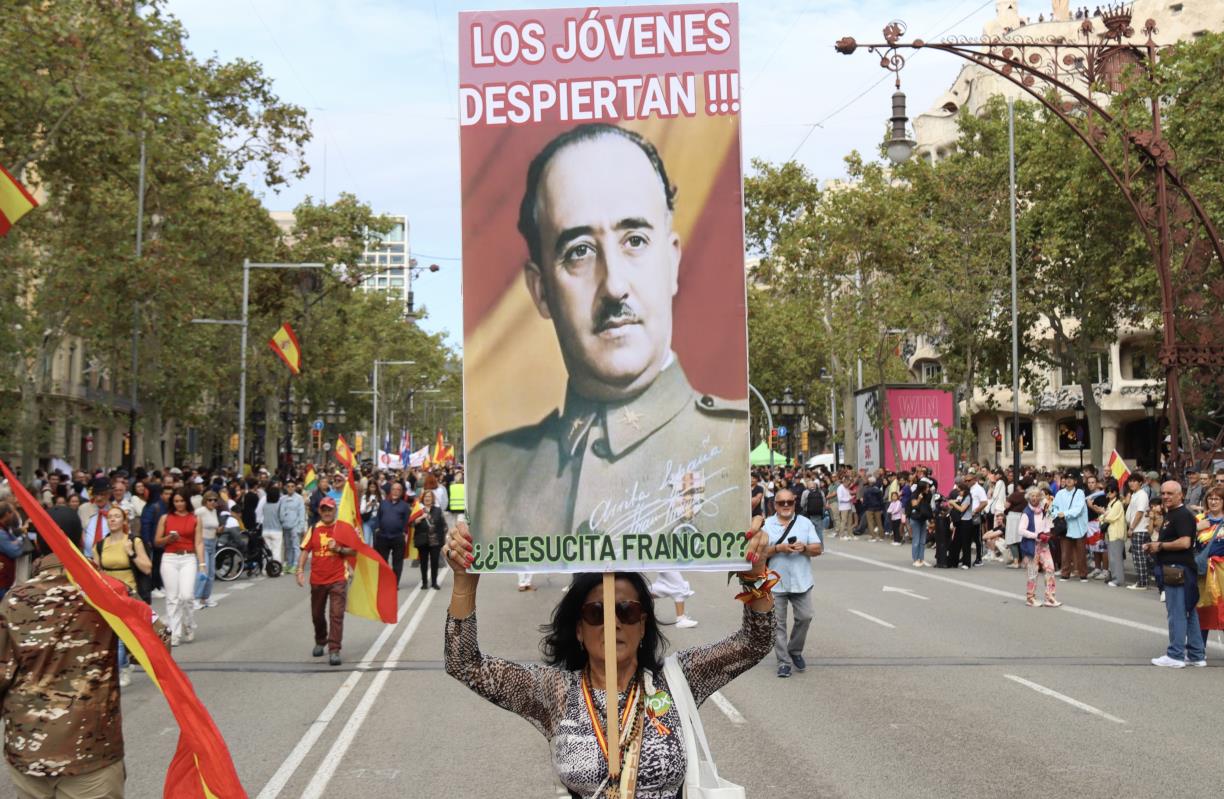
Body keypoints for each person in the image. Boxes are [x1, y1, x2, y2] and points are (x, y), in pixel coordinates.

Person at [467, 124, 750, 544]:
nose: (614, 285)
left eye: (634, 240)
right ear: (541, 290)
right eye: (579, 251)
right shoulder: (489, 475)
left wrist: (759, 579)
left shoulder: (736, 447)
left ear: (672, 264)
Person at [442, 518, 773, 798]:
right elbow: (464, 664)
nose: (613, 622)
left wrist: (755, 571)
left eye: (627, 611)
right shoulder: (553, 689)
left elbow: (753, 642)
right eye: (596, 612)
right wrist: (464, 584)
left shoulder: (678, 679)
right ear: (578, 630)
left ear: (643, 625)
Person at [0, 514, 168, 798]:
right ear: (80, 541)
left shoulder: (14, 601)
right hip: (91, 753)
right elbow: (158, 649)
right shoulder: (108, 593)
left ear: (38, 544)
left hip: (28, 750)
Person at [1145, 481, 1205, 667]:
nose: (1165, 496)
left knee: (1177, 612)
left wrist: (1160, 546)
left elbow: (1185, 542)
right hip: (1178, 567)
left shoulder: (1183, 515)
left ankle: (1175, 655)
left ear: (1181, 495)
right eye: (1163, 493)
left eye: (1170, 493)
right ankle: (1196, 654)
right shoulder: (1173, 514)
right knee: (1188, 611)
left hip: (1178, 569)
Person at [764, 488, 822, 678]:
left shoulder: (804, 523)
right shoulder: (766, 525)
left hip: (801, 580)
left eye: (790, 502)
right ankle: (783, 662)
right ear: (775, 505)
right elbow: (758, 553)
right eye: (782, 503)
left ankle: (795, 650)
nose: (786, 506)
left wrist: (804, 548)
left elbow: (817, 548)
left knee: (805, 617)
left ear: (795, 503)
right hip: (776, 582)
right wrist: (778, 548)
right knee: (778, 624)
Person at [295, 497, 358, 666]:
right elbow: (305, 550)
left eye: (330, 509)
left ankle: (334, 649)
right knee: (317, 614)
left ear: (334, 511)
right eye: (324, 510)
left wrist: (338, 549)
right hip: (318, 579)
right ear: (319, 511)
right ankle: (320, 640)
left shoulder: (342, 529)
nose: (327, 512)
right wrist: (299, 570)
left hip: (338, 578)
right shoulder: (314, 528)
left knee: (336, 615)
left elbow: (354, 552)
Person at [95, 507, 152, 687]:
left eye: (117, 516)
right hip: (108, 593)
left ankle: (126, 663)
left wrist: (131, 553)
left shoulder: (133, 542)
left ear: (124, 521)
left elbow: (147, 568)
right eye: (110, 517)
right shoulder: (100, 545)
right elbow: (96, 571)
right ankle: (122, 667)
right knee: (116, 633)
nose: (112, 520)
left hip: (129, 593)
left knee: (128, 634)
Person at [154, 488, 205, 646]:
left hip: (188, 557)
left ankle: (189, 624)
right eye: (176, 501)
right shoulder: (165, 518)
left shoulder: (195, 518)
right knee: (172, 598)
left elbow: (199, 542)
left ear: (187, 501)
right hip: (169, 558)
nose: (179, 504)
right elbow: (157, 541)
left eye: (182, 501)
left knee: (187, 596)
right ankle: (175, 633)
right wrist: (168, 538)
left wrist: (202, 564)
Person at [1019, 486, 1061, 607]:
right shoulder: (1026, 513)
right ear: (1028, 497)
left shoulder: (1043, 511)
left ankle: (1050, 597)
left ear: (1040, 498)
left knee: (1050, 568)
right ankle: (1030, 597)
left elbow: (1047, 525)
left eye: (1037, 496)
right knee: (1033, 572)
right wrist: (1036, 535)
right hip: (1032, 546)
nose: (1034, 498)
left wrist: (1047, 533)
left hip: (1043, 544)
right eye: (1032, 496)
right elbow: (1020, 530)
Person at [1051, 469, 1088, 581]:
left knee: (1080, 552)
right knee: (1065, 552)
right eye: (1066, 479)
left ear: (1075, 481)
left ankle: (1083, 574)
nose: (1068, 481)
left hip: (1078, 527)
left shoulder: (1080, 493)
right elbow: (1053, 507)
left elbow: (1078, 509)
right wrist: (1057, 514)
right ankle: (1065, 573)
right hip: (1065, 527)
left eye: (1071, 479)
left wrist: (1065, 514)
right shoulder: (1060, 493)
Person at [373, 481, 412, 587]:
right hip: (383, 537)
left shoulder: (405, 506)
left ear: (401, 492)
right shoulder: (383, 503)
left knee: (397, 562)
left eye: (398, 490)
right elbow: (378, 517)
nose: (396, 491)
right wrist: (377, 529)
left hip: (397, 537)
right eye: (394, 489)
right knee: (383, 562)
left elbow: (406, 522)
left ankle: (395, 583)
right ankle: (384, 582)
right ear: (390, 491)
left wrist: (404, 533)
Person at [412, 489, 447, 590]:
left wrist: (442, 539)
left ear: (432, 498)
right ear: (423, 498)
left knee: (434, 562)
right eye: (426, 497)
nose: (427, 498)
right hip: (422, 539)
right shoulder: (418, 509)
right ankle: (424, 582)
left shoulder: (437, 509)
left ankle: (434, 582)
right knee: (423, 562)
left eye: (429, 497)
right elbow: (412, 523)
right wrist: (421, 518)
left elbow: (443, 525)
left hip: (435, 540)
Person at [193, 491, 222, 609]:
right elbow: (194, 525)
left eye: (215, 500)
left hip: (212, 541)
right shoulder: (200, 511)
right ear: (205, 501)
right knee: (203, 571)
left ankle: (206, 596)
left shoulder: (214, 511)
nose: (213, 502)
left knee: (211, 572)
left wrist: (218, 530)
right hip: (203, 542)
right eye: (210, 500)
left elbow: (213, 527)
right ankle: (196, 598)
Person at [1125, 472, 1153, 590]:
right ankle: (1143, 580)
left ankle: (1142, 582)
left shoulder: (1142, 494)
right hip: (1137, 529)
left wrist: (1131, 528)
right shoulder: (1135, 494)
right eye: (1130, 481)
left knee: (1139, 557)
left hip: (1139, 530)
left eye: (1134, 481)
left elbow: (1140, 512)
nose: (1131, 483)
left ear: (1140, 482)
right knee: (1139, 557)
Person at [1100, 480, 1127, 587]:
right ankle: (1115, 578)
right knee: (1113, 558)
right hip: (1111, 534)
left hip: (1116, 534)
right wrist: (1103, 515)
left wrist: (1103, 515)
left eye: (1111, 492)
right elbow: (1105, 517)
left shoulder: (1118, 504)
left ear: (1115, 492)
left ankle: (1118, 580)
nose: (1109, 494)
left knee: (1116, 558)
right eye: (1107, 492)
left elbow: (1110, 517)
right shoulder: (1112, 503)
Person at [279, 479, 308, 574]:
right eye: (288, 486)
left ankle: (296, 565)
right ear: (285, 488)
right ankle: (289, 564)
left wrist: (300, 527)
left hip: (295, 526)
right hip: (285, 526)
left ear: (295, 488)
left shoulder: (299, 498)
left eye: (292, 486)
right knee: (287, 546)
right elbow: (280, 512)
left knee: (295, 546)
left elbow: (301, 513)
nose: (290, 488)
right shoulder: (282, 499)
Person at [0, 504, 26, 602]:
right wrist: (20, 540)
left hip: (5, 580)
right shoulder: (1, 533)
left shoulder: (5, 530)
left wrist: (16, 542)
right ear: (7, 514)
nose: (14, 515)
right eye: (12, 512)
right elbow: (15, 551)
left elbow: (15, 542)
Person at [261, 484, 285, 571]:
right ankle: (276, 569)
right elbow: (282, 517)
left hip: (265, 530)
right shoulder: (279, 505)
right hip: (277, 530)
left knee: (267, 552)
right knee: (276, 551)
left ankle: (265, 569)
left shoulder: (265, 505)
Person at [360, 481, 381, 547]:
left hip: (377, 521)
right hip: (367, 521)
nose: (372, 489)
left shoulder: (380, 496)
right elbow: (362, 511)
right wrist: (368, 504)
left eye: (374, 487)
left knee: (376, 542)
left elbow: (383, 510)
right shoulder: (365, 497)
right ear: (368, 487)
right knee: (366, 542)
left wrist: (377, 505)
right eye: (371, 487)